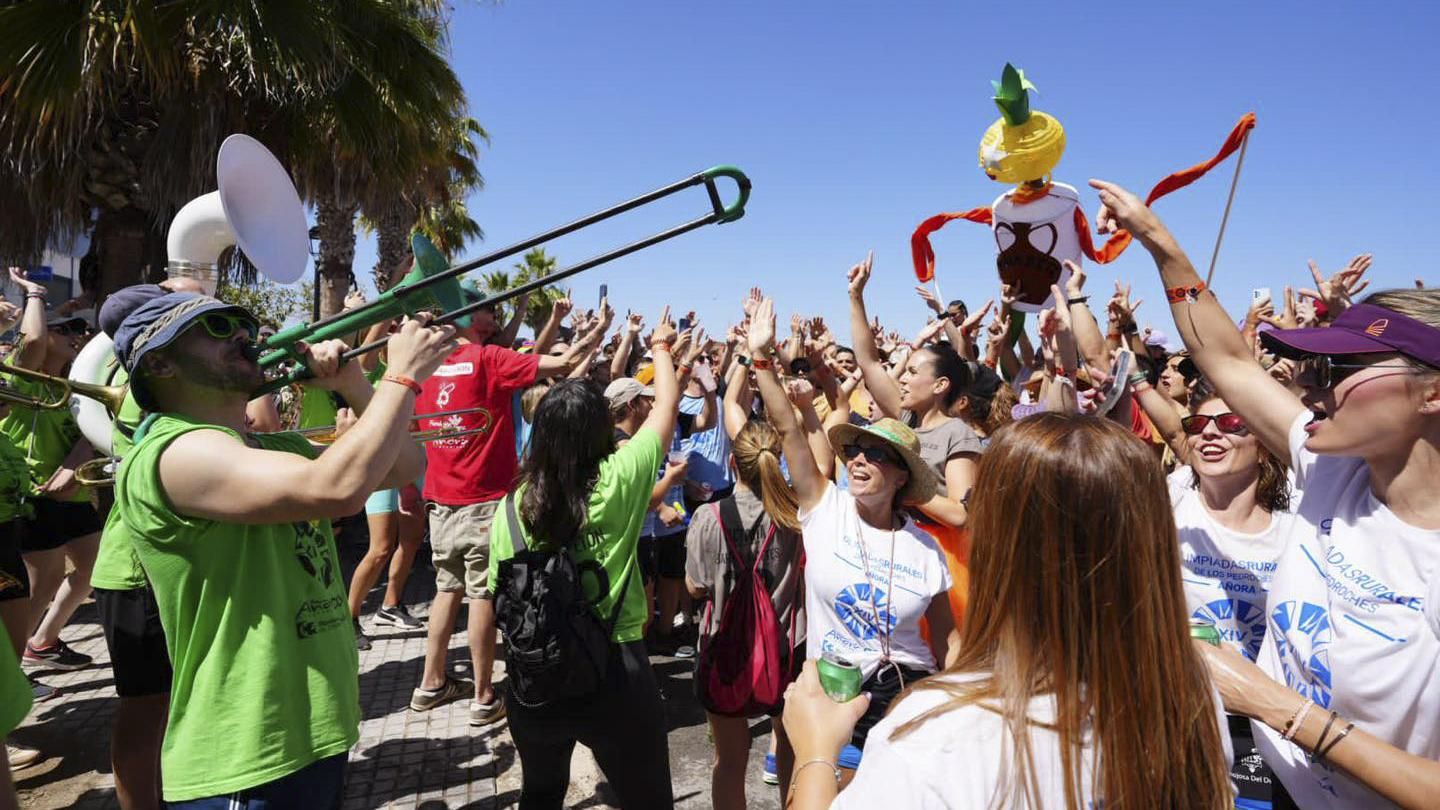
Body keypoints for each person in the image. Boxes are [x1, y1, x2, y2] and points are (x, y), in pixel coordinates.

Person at [1092, 177, 1440, 808]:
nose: (1315, 385)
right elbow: (1228, 360)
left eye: (1343, 367)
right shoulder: (1332, 468)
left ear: (1432, 392)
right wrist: (1158, 242)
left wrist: (1273, 706)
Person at [106, 289, 455, 807]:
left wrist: (353, 383)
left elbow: (403, 467)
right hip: (243, 756)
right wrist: (401, 378)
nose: (241, 335)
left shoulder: (272, 445)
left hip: (311, 735)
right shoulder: (169, 451)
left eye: (240, 324)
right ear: (159, 362)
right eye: (215, 328)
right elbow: (335, 489)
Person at [782, 413, 1233, 809]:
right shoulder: (1187, 697)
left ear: (1001, 540)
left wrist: (814, 752)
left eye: (978, 503)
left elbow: (947, 643)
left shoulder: (934, 735)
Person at [748, 296, 956, 774]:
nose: (858, 458)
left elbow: (947, 645)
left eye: (875, 454)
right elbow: (789, 429)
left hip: (907, 702)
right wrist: (762, 357)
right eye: (855, 449)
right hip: (833, 700)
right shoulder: (825, 509)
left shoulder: (926, 550)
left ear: (903, 476)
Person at [486, 313, 684, 809]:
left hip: (536, 673)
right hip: (618, 669)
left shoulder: (510, 506)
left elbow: (495, 593)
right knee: (648, 798)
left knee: (541, 794)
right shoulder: (620, 479)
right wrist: (660, 345)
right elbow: (665, 407)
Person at [410, 293, 607, 727]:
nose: (494, 314)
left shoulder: (424, 365)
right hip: (482, 501)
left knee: (447, 589)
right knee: (481, 596)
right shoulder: (486, 359)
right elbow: (555, 366)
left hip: (440, 500)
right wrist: (598, 333)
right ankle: (483, 695)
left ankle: (430, 682)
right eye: (487, 309)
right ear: (468, 317)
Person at [685, 419, 806, 809]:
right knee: (790, 754)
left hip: (725, 651)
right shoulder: (796, 517)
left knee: (729, 762)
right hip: (788, 653)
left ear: (733, 464)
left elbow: (695, 586)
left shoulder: (708, 517)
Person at [1, 268, 101, 672]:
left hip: (70, 493)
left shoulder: (73, 387)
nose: (76, 335)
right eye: (67, 330)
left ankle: (42, 643)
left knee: (93, 567)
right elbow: (35, 341)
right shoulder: (24, 380)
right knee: (42, 582)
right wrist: (36, 294)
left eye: (79, 330)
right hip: (34, 493)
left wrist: (74, 460)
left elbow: (94, 433)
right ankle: (13, 670)